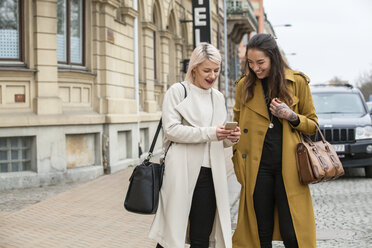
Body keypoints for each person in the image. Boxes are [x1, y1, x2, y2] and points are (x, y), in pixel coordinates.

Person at [149, 43, 241, 248]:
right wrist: (211, 132)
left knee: (202, 235)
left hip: (211, 174)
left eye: (216, 70)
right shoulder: (178, 91)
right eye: (207, 70)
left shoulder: (217, 97)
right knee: (171, 234)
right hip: (181, 170)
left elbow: (219, 139)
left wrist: (231, 137)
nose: (212, 75)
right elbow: (171, 130)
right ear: (194, 69)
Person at [231, 33, 318, 248]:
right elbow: (238, 122)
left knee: (293, 232)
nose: (255, 68)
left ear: (273, 58)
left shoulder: (296, 82)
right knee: (260, 233)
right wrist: (233, 138)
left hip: (290, 167)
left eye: (260, 62)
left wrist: (292, 116)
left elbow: (313, 126)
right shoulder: (244, 86)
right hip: (256, 167)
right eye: (250, 63)